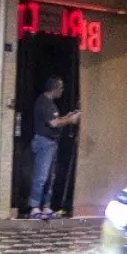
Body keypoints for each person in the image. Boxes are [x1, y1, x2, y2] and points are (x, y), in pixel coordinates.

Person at [29, 76, 80, 219]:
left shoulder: (50, 103)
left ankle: (46, 207)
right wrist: (70, 120)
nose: (62, 90)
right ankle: (34, 208)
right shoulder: (44, 103)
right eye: (61, 87)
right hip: (44, 143)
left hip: (51, 143)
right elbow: (54, 123)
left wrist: (67, 116)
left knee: (50, 177)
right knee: (41, 176)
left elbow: (56, 120)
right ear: (54, 88)